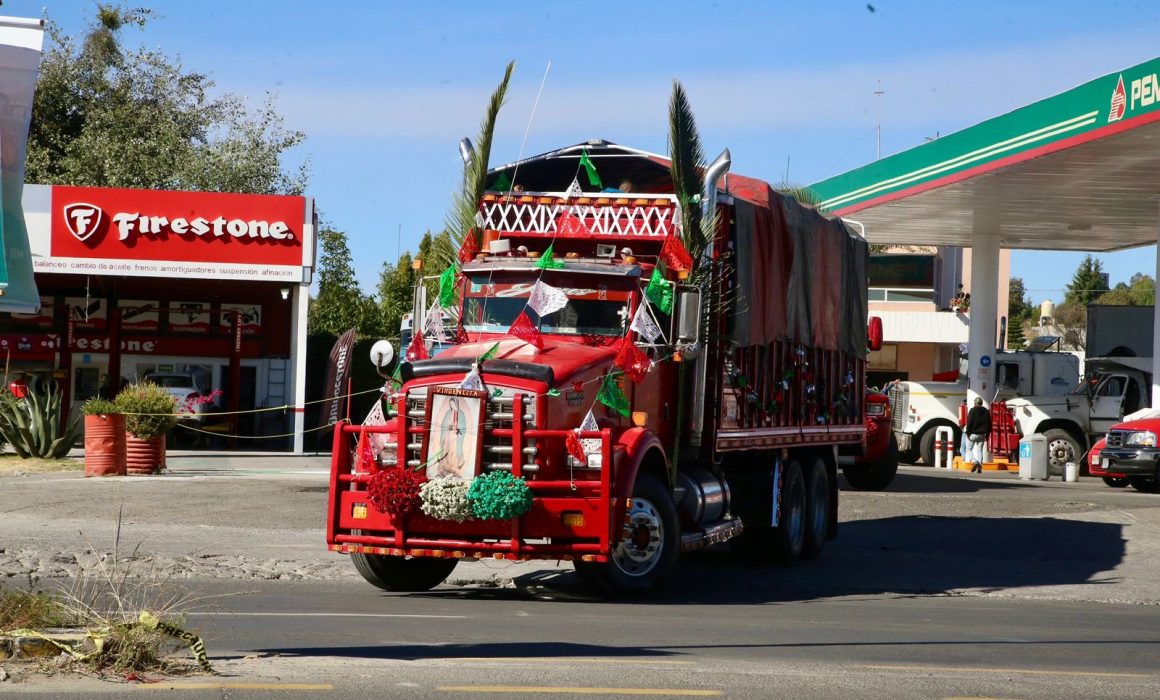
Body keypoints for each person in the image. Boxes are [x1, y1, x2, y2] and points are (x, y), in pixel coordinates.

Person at [964, 397, 991, 473]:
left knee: (968, 449)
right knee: (980, 450)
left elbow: (969, 423)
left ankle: (974, 461)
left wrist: (968, 433)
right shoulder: (986, 411)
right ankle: (979, 467)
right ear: (981, 403)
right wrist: (988, 434)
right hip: (982, 434)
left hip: (973, 434)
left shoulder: (972, 410)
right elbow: (989, 424)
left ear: (975, 403)